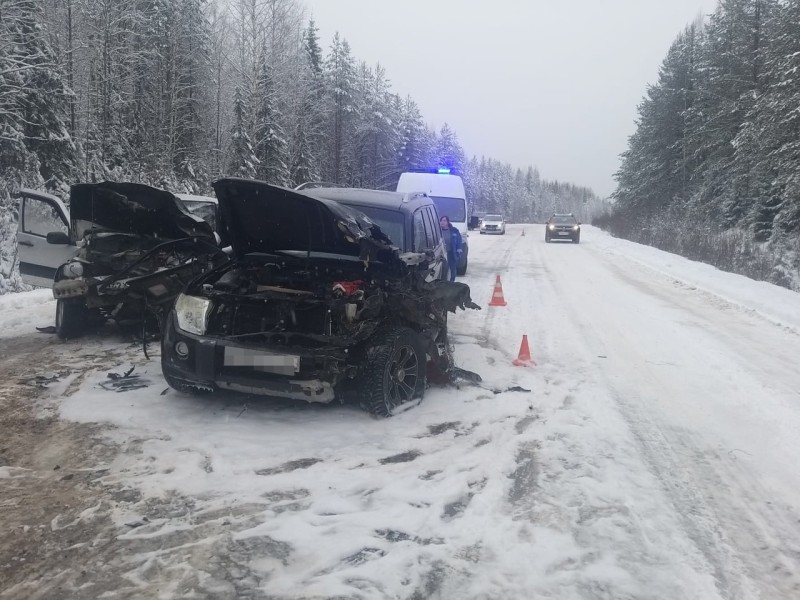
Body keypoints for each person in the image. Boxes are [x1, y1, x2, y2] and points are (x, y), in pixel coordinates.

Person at [439, 215, 463, 282]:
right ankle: (443, 282)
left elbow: (459, 241)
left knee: (452, 269)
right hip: (441, 254)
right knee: (443, 269)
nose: (442, 222)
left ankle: (452, 282)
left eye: (444, 220)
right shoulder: (437, 231)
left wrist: (459, 251)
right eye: (441, 220)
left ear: (447, 222)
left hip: (451, 253)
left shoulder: (454, 231)